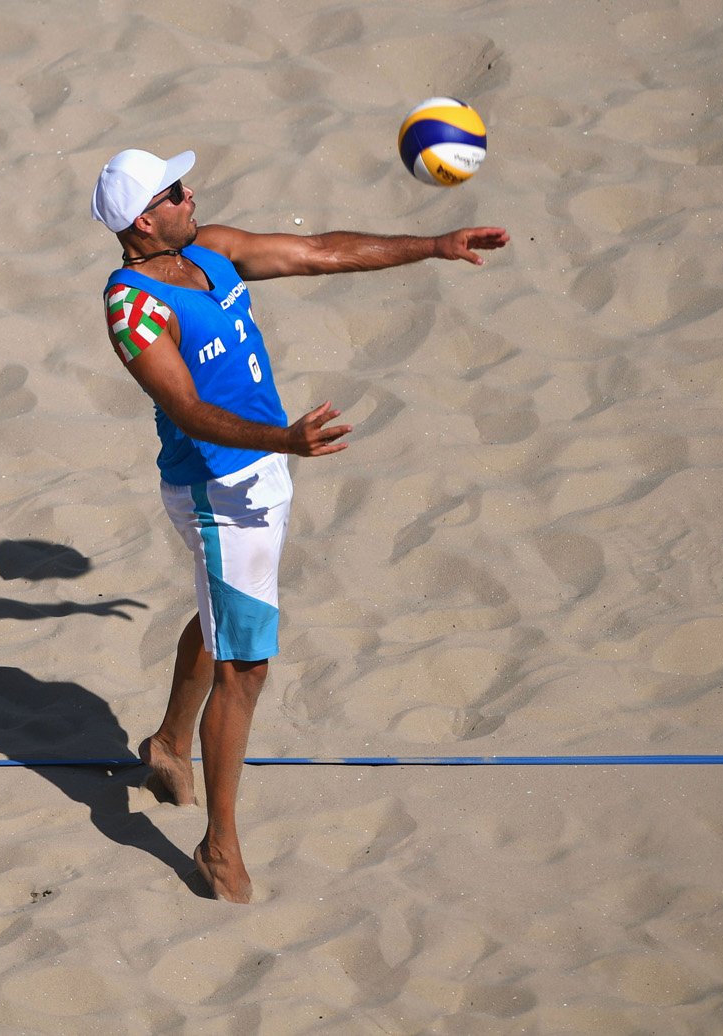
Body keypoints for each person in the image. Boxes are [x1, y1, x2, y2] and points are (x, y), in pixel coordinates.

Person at [91, 147, 509, 902]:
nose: (192, 193)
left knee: (225, 614)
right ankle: (219, 848)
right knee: (246, 665)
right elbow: (188, 410)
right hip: (219, 491)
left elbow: (319, 253)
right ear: (143, 220)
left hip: (266, 468)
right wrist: (283, 439)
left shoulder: (211, 249)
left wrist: (434, 245)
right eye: (175, 190)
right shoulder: (133, 308)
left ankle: (169, 744)